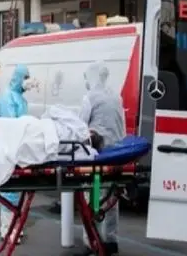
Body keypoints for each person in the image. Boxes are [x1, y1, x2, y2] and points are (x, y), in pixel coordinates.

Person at [77, 61, 126, 256]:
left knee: (94, 198)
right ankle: (111, 240)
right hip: (116, 155)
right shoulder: (116, 97)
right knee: (112, 197)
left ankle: (92, 241)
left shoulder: (89, 98)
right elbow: (121, 127)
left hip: (97, 158)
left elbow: (80, 128)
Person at [0, 64, 31, 243]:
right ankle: (7, 229)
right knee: (10, 191)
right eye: (25, 78)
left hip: (19, 149)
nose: (27, 81)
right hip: (9, 149)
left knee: (20, 190)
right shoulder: (7, 98)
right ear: (18, 78)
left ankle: (17, 226)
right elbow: (12, 126)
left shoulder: (21, 99)